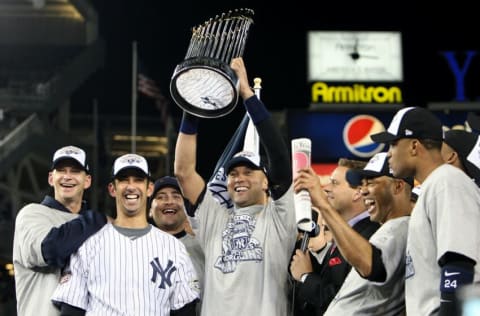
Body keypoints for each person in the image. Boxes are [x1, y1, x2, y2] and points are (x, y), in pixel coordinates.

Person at [174, 57, 297, 316]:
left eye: (248, 172)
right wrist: (191, 107)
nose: (238, 178)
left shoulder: (279, 217)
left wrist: (247, 96)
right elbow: (183, 173)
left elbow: (278, 157)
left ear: (266, 181)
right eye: (233, 173)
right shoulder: (215, 217)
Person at [51, 153, 200, 315]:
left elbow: (185, 311)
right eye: (123, 180)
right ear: (112, 189)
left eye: (138, 180)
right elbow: (72, 309)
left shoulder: (173, 248)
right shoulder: (89, 244)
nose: (131, 186)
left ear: (149, 188)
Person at [370, 106, 480, 316]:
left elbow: (458, 262)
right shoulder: (434, 185)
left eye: (393, 144)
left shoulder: (447, 181)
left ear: (414, 146)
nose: (388, 153)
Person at [296, 152, 413, 315]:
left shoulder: (401, 227)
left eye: (371, 183)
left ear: (398, 186)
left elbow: (372, 266)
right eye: (362, 184)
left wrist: (323, 205)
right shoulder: (389, 227)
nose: (364, 191)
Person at [12, 145, 108, 316]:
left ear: (87, 181)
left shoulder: (98, 227)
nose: (67, 176)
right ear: (51, 178)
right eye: (61, 170)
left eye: (75, 171)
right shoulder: (33, 214)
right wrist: (96, 220)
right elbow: (52, 248)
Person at [289, 158, 380, 315]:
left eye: (334, 183)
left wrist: (306, 277)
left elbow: (348, 298)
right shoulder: (349, 232)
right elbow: (334, 279)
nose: (326, 189)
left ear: (358, 193)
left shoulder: (369, 235)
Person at [149, 175, 205, 315]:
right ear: (150, 211)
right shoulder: (139, 250)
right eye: (161, 197)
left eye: (176, 196)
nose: (169, 201)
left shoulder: (205, 245)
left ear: (186, 208)